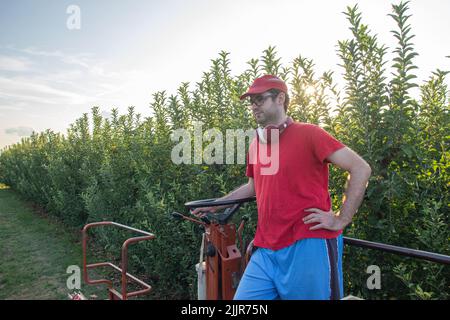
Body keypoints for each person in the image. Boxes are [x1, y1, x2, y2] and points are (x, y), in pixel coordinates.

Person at [192, 74, 372, 300]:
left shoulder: (310, 134)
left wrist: (341, 218)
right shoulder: (258, 144)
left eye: (259, 99)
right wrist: (216, 206)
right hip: (266, 248)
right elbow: (253, 187)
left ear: (280, 98)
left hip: (307, 243)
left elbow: (360, 168)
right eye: (251, 101)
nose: (253, 106)